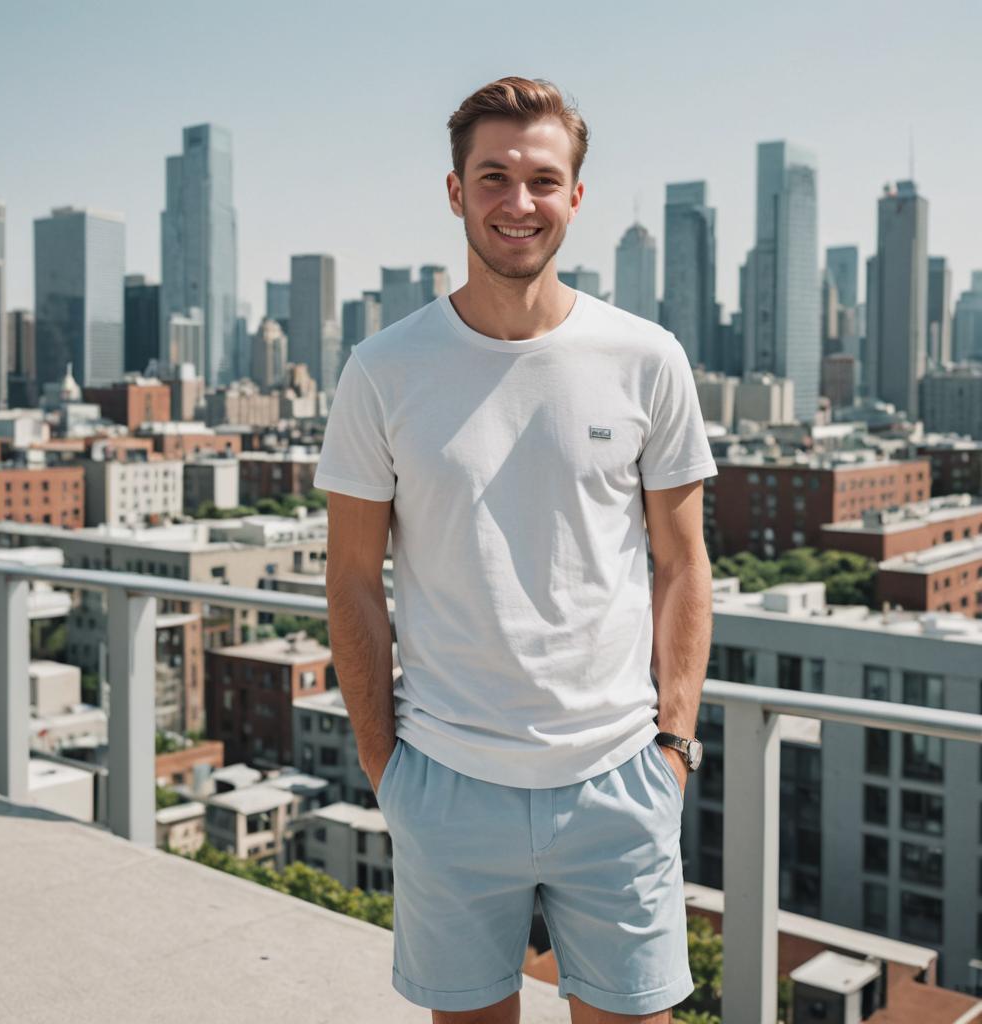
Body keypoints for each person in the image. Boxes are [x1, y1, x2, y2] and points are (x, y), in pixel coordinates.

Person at [313, 76, 717, 1024]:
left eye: (542, 179)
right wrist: (389, 768)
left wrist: (675, 749)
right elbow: (350, 579)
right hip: (447, 785)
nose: (518, 202)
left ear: (575, 197)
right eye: (493, 176)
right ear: (455, 192)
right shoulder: (382, 371)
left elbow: (683, 564)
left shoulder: (647, 358)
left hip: (620, 781)